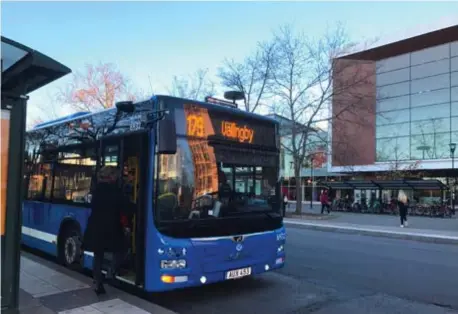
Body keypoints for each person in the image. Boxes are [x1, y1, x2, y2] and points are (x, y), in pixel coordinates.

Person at [82, 166, 135, 295]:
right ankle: (111, 273)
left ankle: (97, 282)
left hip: (96, 227)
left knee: (98, 255)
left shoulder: (96, 191)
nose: (118, 177)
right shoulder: (115, 191)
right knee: (122, 249)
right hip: (111, 227)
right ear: (111, 177)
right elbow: (125, 207)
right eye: (116, 175)